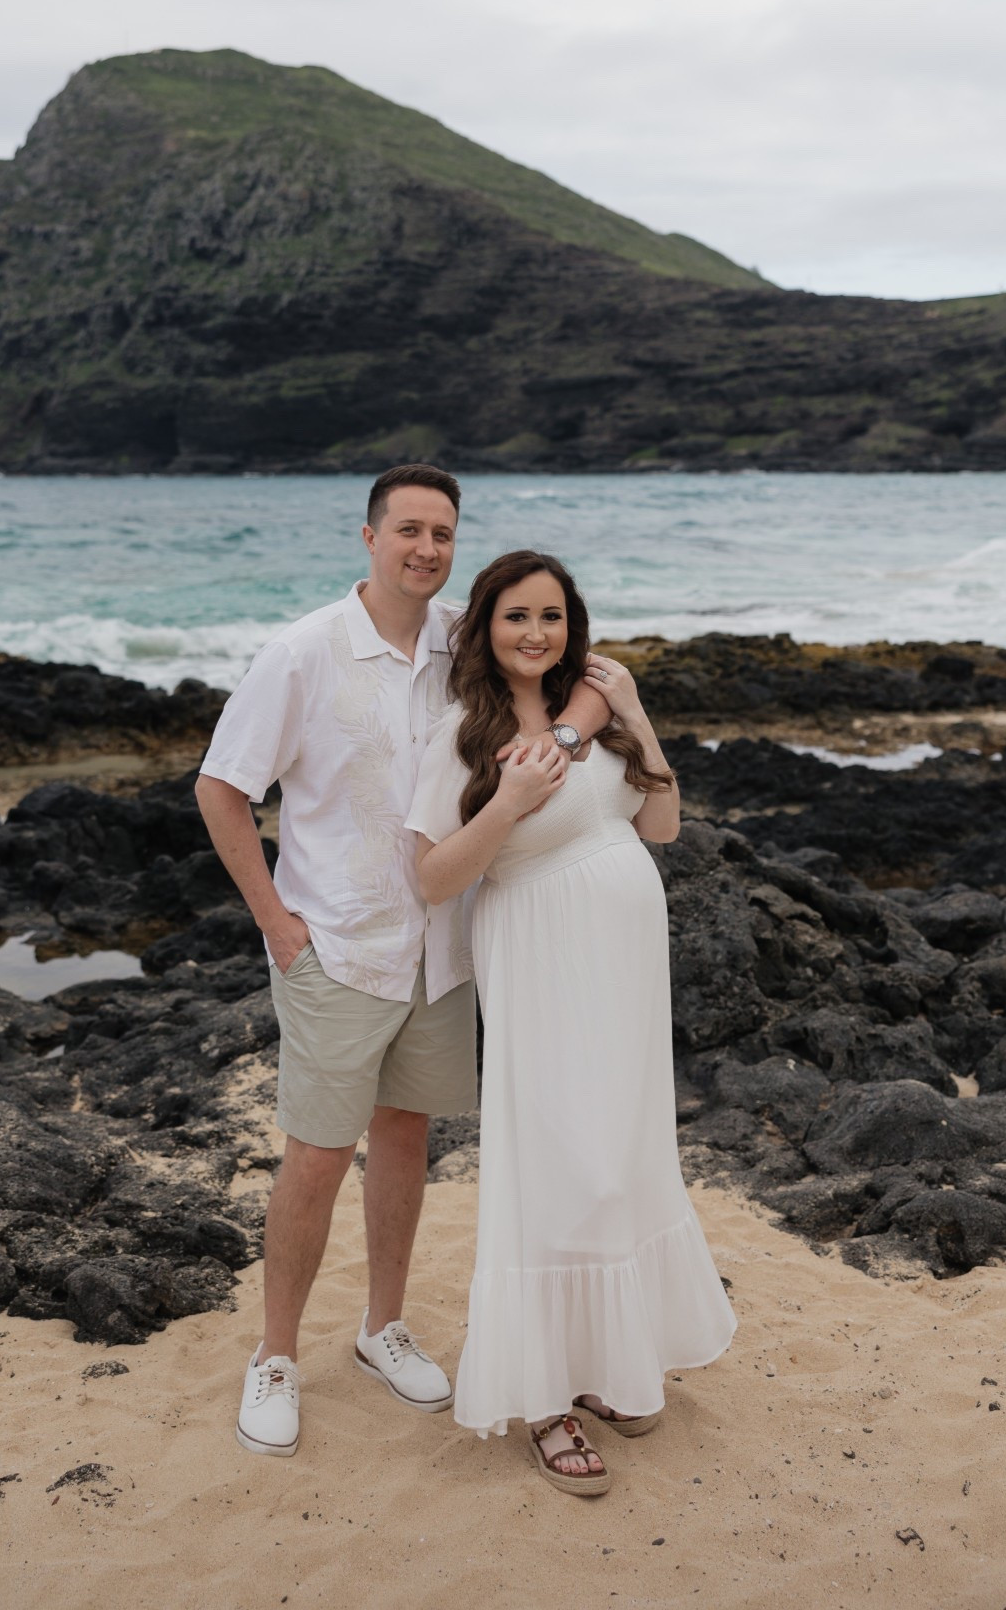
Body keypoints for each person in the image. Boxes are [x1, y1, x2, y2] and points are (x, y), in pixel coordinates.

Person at [195, 469, 611, 1458]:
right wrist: (276, 921)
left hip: (440, 949)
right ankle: (277, 1353)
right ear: (370, 534)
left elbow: (593, 678)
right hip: (334, 944)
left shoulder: (463, 638)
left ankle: (382, 1326)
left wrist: (554, 742)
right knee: (316, 1153)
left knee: (405, 1135)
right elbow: (221, 787)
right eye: (409, 529)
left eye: (443, 532)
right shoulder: (302, 653)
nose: (426, 546)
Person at [406, 549, 736, 1496]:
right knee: (559, 1160)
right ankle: (543, 1399)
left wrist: (634, 717)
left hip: (627, 970)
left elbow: (661, 826)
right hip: (541, 957)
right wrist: (507, 804)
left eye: (551, 616)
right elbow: (432, 878)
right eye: (516, 617)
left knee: (623, 1155)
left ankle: (602, 1368)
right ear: (484, 626)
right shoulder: (462, 737)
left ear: (571, 623)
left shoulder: (589, 708)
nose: (535, 634)